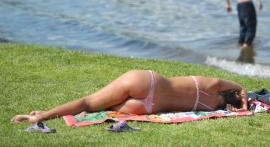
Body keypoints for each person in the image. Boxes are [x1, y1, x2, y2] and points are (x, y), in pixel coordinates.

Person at [11, 70, 248, 124]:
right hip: (147, 108)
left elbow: (220, 83)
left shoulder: (209, 85)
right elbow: (228, 106)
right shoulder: (210, 106)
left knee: (89, 102)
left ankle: (41, 115)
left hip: (148, 82)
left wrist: (241, 88)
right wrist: (240, 106)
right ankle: (43, 116)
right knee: (93, 108)